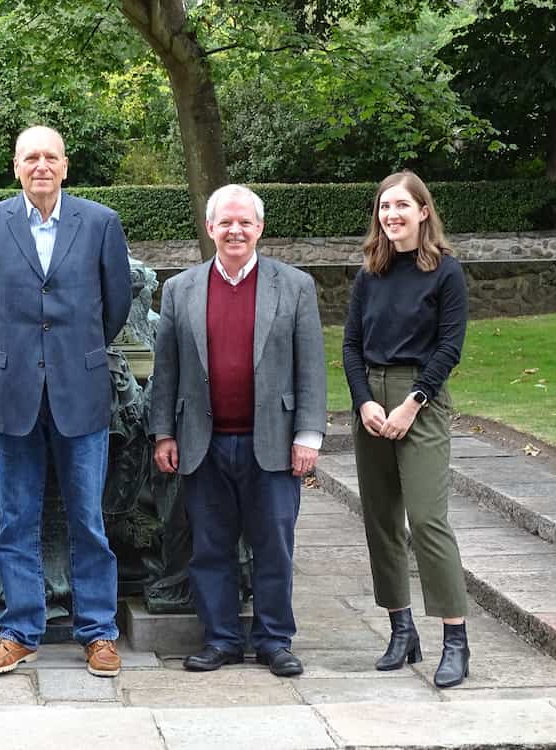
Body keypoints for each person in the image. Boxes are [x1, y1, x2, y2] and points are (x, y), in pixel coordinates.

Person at [0, 125, 132, 677]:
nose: (41, 165)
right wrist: (21, 350)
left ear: (65, 165)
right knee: (16, 518)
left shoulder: (100, 223)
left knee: (88, 518)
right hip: (13, 393)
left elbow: (115, 305)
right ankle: (21, 629)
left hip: (79, 390)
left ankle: (99, 631)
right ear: (16, 166)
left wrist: (69, 352)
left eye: (50, 157)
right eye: (30, 157)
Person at [149, 184, 326, 676]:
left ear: (260, 228)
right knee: (210, 548)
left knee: (274, 545)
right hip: (202, 444)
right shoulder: (179, 290)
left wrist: (308, 436)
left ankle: (274, 640)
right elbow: (166, 370)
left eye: (245, 222)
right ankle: (222, 638)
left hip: (272, 444)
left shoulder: (294, 286)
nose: (235, 230)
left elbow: (311, 367)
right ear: (209, 229)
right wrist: (164, 433)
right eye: (225, 222)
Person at [342, 171, 470, 688]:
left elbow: (450, 347)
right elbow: (350, 345)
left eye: (401, 206)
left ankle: (455, 640)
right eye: (383, 206)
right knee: (380, 519)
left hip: (422, 398)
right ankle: (401, 629)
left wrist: (412, 403)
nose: (390, 214)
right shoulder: (368, 274)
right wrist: (365, 403)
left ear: (423, 211)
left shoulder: (446, 272)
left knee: (427, 519)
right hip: (371, 401)